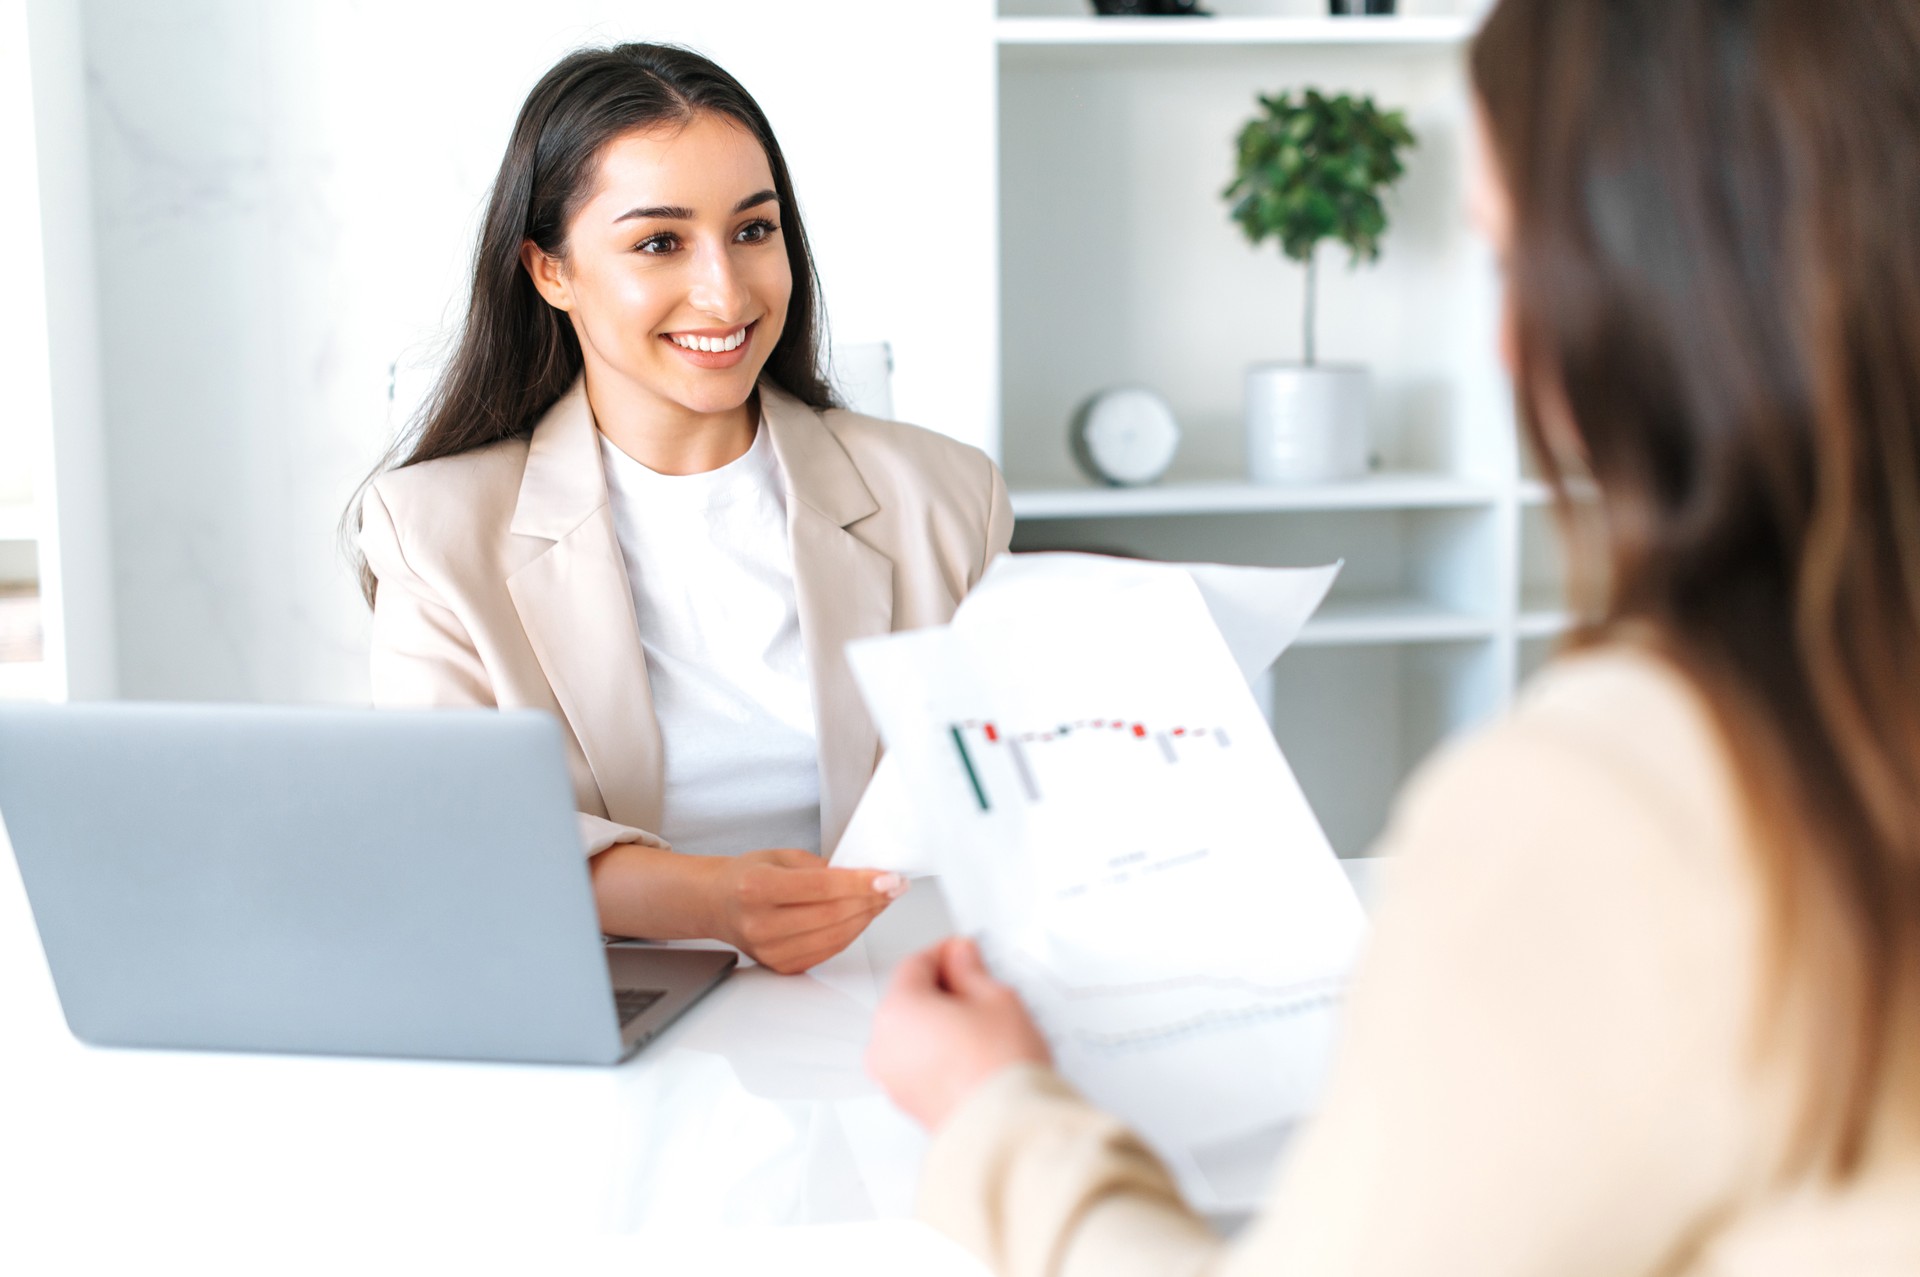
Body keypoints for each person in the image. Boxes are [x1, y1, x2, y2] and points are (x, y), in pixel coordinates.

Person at [866, 0, 1920, 1271]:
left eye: (1508, 258)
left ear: (1643, 294)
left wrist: (997, 1116)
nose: (1501, 336)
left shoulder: (1622, 792)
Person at [347, 44, 1012, 976]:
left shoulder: (947, 498)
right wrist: (711, 899)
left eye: (753, 231)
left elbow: (1011, 804)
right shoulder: (433, 530)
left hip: (890, 993)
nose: (726, 292)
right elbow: (449, 836)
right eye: (659, 242)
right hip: (601, 988)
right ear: (551, 271)